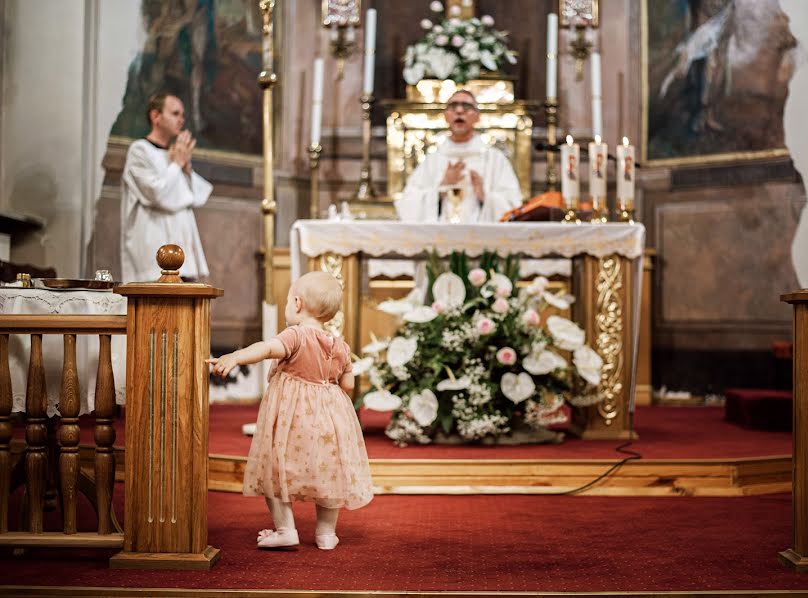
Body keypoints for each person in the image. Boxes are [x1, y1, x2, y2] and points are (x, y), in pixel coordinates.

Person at [208, 271, 374, 550]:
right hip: (330, 420)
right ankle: (326, 534)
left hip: (292, 419)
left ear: (297, 303)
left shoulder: (295, 335)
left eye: (287, 301)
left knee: (274, 469)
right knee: (328, 471)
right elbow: (347, 385)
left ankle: (285, 529)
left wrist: (235, 356)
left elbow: (266, 349)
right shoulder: (341, 346)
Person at [121, 92, 211, 282]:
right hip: (153, 254)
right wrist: (177, 164)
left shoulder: (174, 155)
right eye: (175, 114)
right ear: (156, 117)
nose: (182, 120)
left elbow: (194, 197)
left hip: (183, 253)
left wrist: (185, 169)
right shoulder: (140, 151)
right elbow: (157, 194)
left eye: (183, 115)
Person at [395, 89, 522, 223]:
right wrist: (441, 188)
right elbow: (407, 205)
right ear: (445, 116)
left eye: (467, 106)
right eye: (453, 106)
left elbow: (514, 206)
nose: (459, 111)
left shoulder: (495, 160)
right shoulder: (433, 160)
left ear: (478, 116)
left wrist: (484, 195)